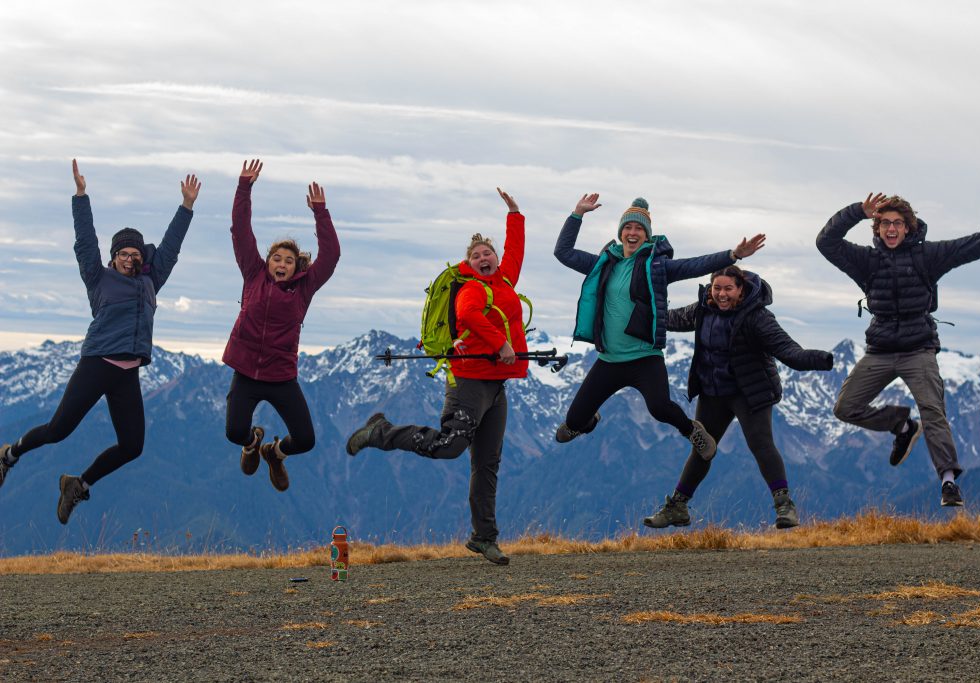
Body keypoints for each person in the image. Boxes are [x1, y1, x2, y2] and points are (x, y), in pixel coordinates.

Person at [0, 159, 200, 523]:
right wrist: (81, 196)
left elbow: (169, 248)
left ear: (141, 259)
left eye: (135, 254)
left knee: (132, 446)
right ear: (113, 258)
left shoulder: (151, 281)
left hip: (127, 373)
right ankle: (8, 456)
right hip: (96, 365)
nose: (129, 258)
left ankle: (78, 484)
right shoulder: (98, 277)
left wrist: (186, 207)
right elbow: (85, 241)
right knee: (58, 430)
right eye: (123, 253)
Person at [346, 188, 526, 566]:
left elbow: (515, 251)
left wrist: (515, 213)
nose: (483, 258)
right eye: (476, 256)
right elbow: (468, 318)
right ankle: (382, 432)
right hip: (468, 382)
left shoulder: (505, 280)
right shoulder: (469, 288)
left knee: (487, 462)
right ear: (469, 264)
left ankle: (484, 537)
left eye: (487, 253)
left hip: (496, 385)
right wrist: (499, 344)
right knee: (449, 446)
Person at [817, 193, 980, 507]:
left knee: (933, 410)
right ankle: (900, 424)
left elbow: (975, 244)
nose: (891, 228)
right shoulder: (866, 261)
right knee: (845, 408)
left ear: (908, 228)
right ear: (876, 228)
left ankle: (949, 482)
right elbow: (825, 241)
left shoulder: (928, 256)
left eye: (897, 223)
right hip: (880, 350)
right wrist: (857, 211)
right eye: (884, 222)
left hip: (919, 350)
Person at [552, 194, 765, 459]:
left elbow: (694, 266)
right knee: (573, 422)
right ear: (620, 233)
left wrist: (732, 255)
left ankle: (692, 431)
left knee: (660, 408)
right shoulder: (603, 263)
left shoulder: (657, 268)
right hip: (608, 359)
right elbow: (563, 252)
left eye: (639, 228)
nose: (633, 232)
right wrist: (577, 214)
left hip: (644, 358)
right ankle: (587, 419)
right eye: (628, 227)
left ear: (647, 235)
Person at [643, 265, 833, 530]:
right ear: (710, 289)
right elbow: (667, 319)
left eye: (728, 288)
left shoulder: (757, 317)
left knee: (761, 444)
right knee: (702, 448)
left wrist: (820, 359)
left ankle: (784, 506)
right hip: (714, 391)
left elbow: (787, 350)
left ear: (741, 289)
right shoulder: (701, 310)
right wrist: (635, 313)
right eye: (716, 288)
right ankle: (678, 507)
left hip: (750, 391)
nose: (722, 294)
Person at [222, 159, 340, 492]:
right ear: (268, 261)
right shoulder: (252, 273)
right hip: (245, 371)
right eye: (277, 258)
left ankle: (274, 453)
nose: (282, 263)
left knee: (305, 439)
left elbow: (330, 256)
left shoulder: (305, 288)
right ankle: (252, 441)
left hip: (280, 376)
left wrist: (321, 213)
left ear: (296, 267)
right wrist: (244, 187)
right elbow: (240, 230)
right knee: (234, 432)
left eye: (289, 260)